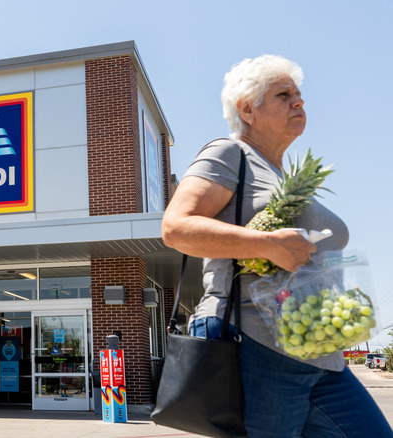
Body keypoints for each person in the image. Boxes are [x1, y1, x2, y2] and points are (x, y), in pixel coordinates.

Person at [161, 54, 393, 436]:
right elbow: (177, 228)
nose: (299, 102)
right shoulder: (229, 154)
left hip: (321, 352)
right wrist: (267, 244)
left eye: (299, 95)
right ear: (247, 109)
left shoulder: (284, 175)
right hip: (258, 345)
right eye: (284, 95)